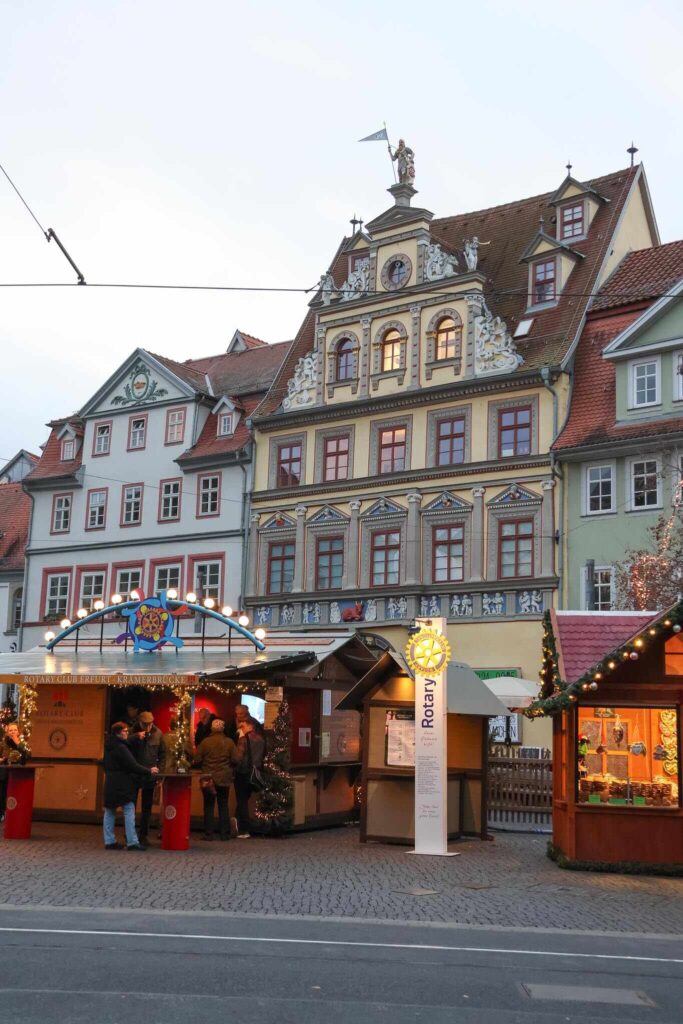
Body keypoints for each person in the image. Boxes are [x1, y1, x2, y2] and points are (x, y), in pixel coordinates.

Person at [102, 722, 158, 850]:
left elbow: (106, 762)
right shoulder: (121, 748)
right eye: (125, 731)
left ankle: (109, 841)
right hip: (123, 783)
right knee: (129, 809)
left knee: (110, 810)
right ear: (119, 733)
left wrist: (136, 735)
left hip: (110, 781)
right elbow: (133, 765)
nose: (127, 733)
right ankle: (132, 841)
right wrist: (149, 770)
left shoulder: (109, 745)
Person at [193, 719, 240, 841]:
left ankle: (209, 833)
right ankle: (224, 834)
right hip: (224, 777)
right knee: (223, 805)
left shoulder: (205, 742)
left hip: (208, 778)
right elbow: (236, 759)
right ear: (223, 729)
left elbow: (197, 759)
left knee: (208, 805)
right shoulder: (229, 742)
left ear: (212, 729)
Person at [128, 710, 166, 846]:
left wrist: (159, 772)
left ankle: (143, 835)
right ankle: (130, 834)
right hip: (134, 774)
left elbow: (162, 754)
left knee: (146, 807)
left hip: (149, 774)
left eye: (150, 724)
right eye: (145, 724)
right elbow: (125, 749)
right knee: (130, 805)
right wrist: (135, 737)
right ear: (140, 722)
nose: (148, 727)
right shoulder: (132, 732)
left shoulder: (158, 734)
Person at [234, 715, 266, 839]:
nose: (241, 728)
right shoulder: (261, 739)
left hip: (243, 773)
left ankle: (244, 829)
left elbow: (239, 757)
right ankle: (235, 823)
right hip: (255, 772)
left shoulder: (243, 739)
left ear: (250, 726)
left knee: (241, 801)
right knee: (244, 800)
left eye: (243, 725)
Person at [0, 722, 28, 822]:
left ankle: (15, 814)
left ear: (18, 731)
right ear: (7, 732)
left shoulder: (22, 743)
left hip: (18, 774)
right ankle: (3, 813)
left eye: (15, 730)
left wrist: (18, 743)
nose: (13, 732)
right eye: (10, 730)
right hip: (4, 773)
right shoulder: (3, 743)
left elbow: (26, 757)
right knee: (3, 793)